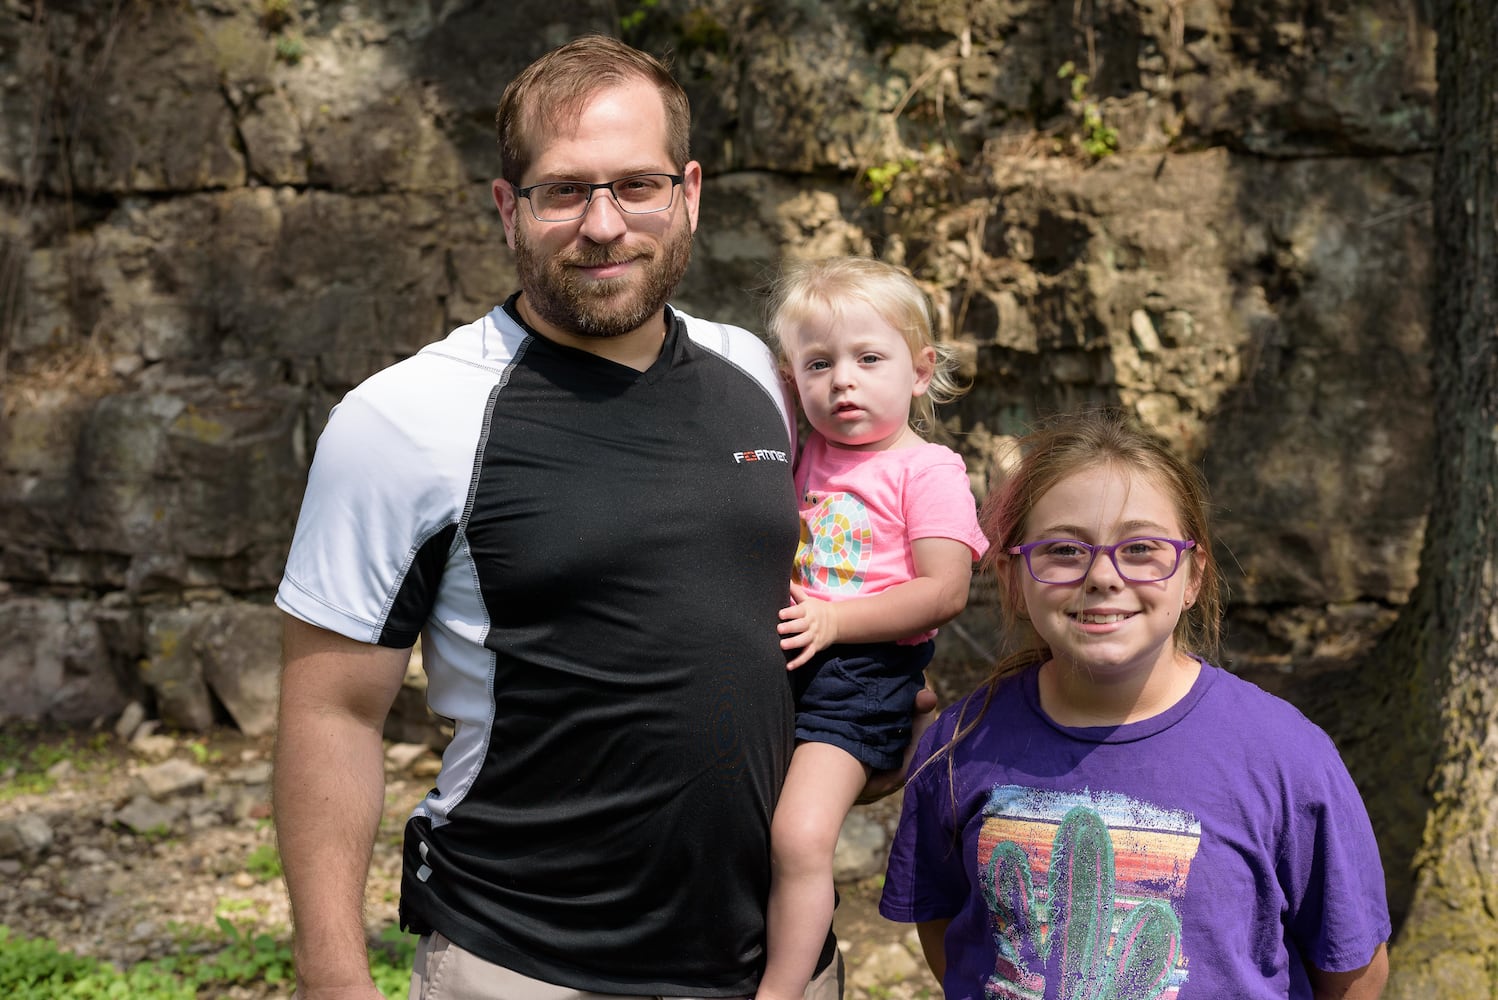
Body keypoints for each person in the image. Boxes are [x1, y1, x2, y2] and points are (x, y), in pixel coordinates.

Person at [273, 34, 850, 1000]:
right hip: (525, 963)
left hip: (777, 965)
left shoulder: (757, 374)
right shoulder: (403, 421)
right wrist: (334, 976)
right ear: (509, 208)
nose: (602, 223)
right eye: (562, 190)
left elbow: (746, 615)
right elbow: (331, 710)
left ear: (690, 193)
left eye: (637, 185)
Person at [879, 410, 1391, 1000]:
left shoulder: (1286, 758)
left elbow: (1354, 973)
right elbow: (951, 934)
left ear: (1193, 575)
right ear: (1013, 578)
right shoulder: (961, 742)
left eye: (1142, 547)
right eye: (1065, 550)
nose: (1102, 576)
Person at [756, 257, 989, 1000]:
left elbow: (944, 590)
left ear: (920, 371)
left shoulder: (928, 470)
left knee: (800, 836)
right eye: (818, 364)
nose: (842, 382)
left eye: (868, 359)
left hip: (864, 671)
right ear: (792, 380)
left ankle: (781, 989)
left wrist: (836, 620)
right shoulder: (801, 455)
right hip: (792, 649)